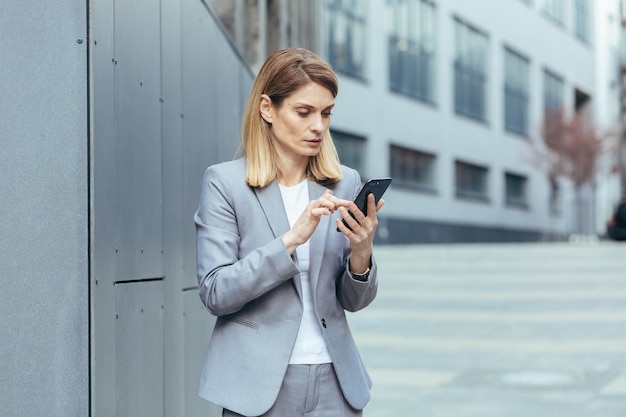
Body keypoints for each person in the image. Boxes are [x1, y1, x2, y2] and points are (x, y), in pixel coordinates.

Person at [194, 48, 384, 417]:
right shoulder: (225, 183)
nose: (319, 126)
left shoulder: (345, 183)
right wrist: (290, 240)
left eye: (326, 113)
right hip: (257, 385)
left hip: (336, 382)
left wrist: (362, 253)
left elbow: (354, 301)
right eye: (304, 112)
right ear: (268, 108)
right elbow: (215, 292)